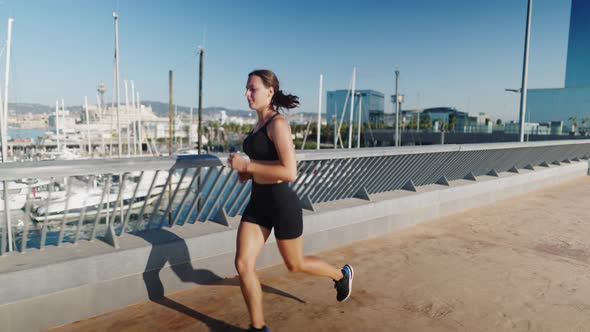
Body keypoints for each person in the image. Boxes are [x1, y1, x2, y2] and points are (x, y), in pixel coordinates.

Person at [227, 69, 354, 332]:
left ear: (269, 91)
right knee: (242, 264)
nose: (247, 93)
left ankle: (341, 275)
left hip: (282, 205)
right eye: (246, 88)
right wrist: (245, 172)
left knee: (294, 265)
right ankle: (258, 327)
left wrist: (249, 165)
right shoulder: (257, 125)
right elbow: (263, 163)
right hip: (258, 204)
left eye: (253, 88)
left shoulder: (278, 124)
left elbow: (289, 172)